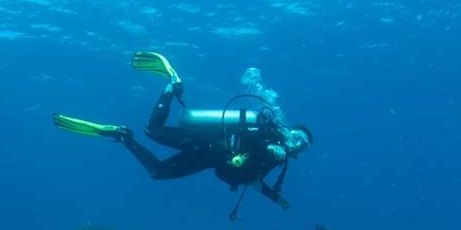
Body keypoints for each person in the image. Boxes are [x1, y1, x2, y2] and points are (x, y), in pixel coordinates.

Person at [53, 52, 312, 217]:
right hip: (206, 142)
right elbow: (250, 137)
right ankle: (171, 84)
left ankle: (122, 135)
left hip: (206, 159)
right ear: (289, 132)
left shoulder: (279, 160)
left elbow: (254, 180)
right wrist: (267, 147)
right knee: (152, 131)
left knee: (157, 170)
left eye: (304, 145)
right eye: (298, 137)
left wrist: (276, 199)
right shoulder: (272, 135)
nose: (298, 144)